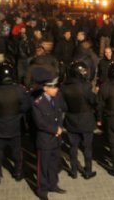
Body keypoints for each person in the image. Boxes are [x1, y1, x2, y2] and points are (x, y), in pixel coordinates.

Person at [0, 64, 30, 184]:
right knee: (17, 152)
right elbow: (25, 106)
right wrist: (18, 114)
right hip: (15, 126)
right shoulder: (19, 89)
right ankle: (17, 173)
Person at [32, 69, 67, 200]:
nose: (56, 89)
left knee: (54, 164)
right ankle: (42, 189)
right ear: (45, 88)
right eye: (53, 87)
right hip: (45, 140)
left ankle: (53, 185)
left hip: (56, 140)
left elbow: (60, 114)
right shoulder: (38, 103)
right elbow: (40, 123)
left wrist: (60, 128)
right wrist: (55, 130)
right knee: (43, 166)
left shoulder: (57, 98)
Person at [61, 62, 98, 180]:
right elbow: (94, 101)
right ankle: (88, 170)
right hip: (86, 120)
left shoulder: (64, 87)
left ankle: (73, 171)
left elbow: (62, 105)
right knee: (87, 147)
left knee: (73, 147)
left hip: (71, 120)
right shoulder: (86, 87)